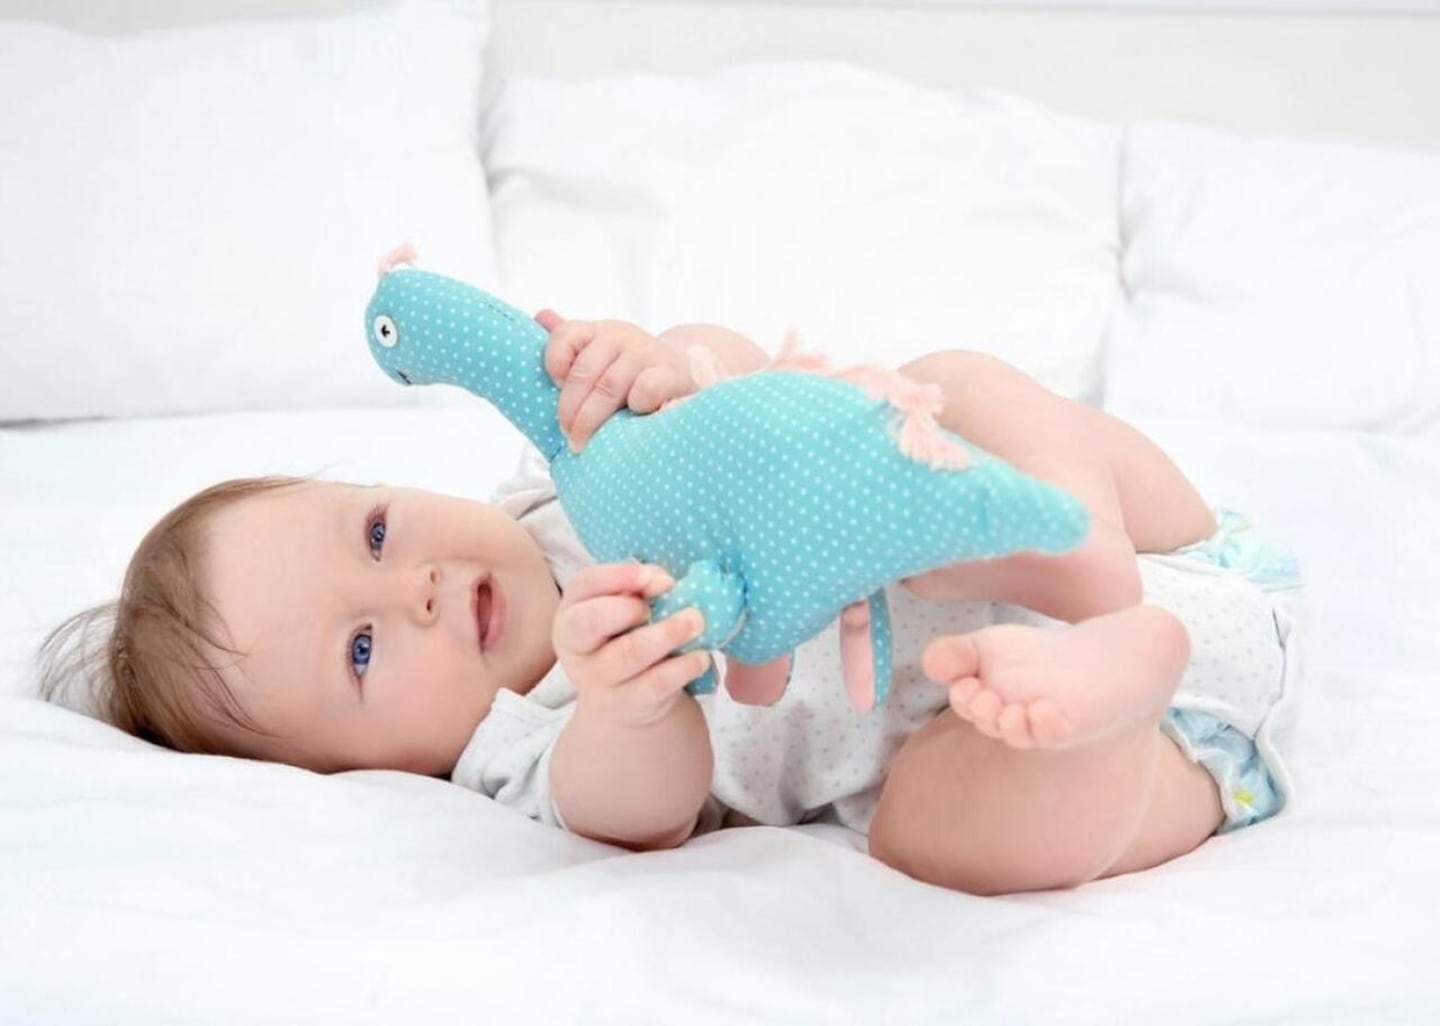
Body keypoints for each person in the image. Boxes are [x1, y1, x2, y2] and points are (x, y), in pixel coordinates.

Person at [37, 312, 1300, 896]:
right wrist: (627, 707)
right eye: (360, 648)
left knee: (946, 376)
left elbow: (731, 388)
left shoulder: (554, 480)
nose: (412, 586)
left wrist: (666, 366)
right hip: (1097, 729)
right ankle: (1109, 706)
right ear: (357, 770)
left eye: (375, 533)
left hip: (1157, 540)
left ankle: (1075, 540)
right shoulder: (515, 745)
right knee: (929, 835)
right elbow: (632, 810)